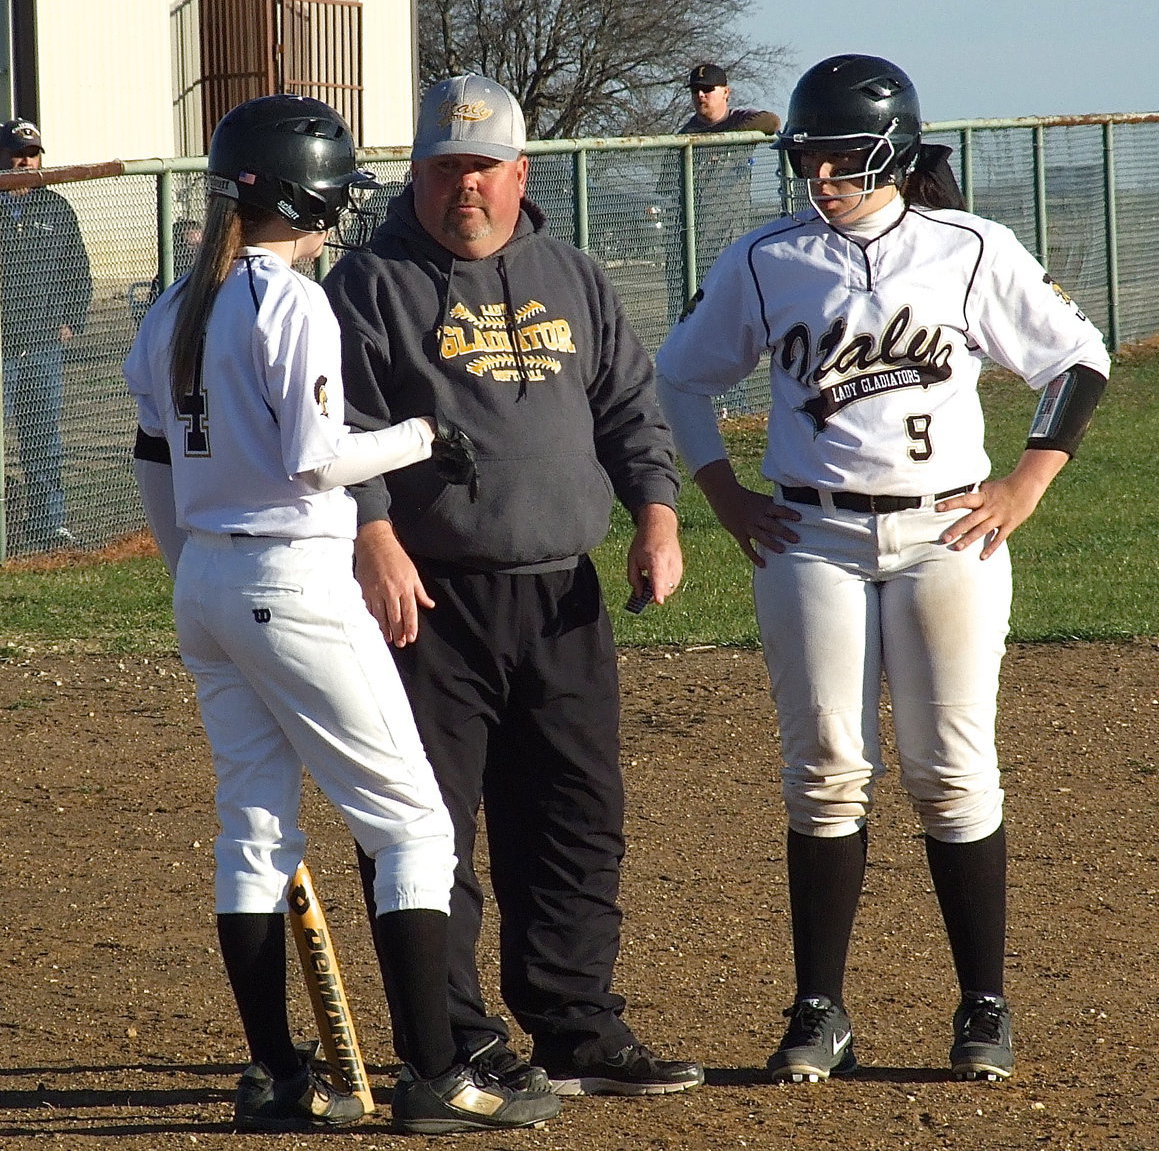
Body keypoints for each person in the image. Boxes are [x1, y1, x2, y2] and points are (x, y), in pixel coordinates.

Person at [655, 54, 1110, 1086]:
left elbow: (1076, 359)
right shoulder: (767, 257)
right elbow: (679, 376)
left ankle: (982, 1004)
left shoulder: (966, 247)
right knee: (823, 770)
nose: (820, 177)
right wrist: (722, 494)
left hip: (946, 534)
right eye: (807, 158)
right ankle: (819, 1009)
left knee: (951, 771)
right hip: (810, 535)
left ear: (895, 152)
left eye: (842, 157)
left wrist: (1025, 485)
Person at [123, 93, 560, 1136]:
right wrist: (422, 436)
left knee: (253, 829)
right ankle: (435, 1075)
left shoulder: (176, 303)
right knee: (412, 822)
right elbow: (319, 460)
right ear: (305, 195)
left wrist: (196, 577)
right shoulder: (289, 299)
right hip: (293, 575)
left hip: (210, 577)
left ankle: (277, 1076)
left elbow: (153, 462)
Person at [322, 72, 703, 1098]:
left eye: (483, 167)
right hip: (427, 599)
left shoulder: (571, 275)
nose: (466, 186)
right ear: (416, 173)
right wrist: (373, 536)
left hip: (561, 593)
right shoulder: (368, 284)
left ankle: (576, 1026)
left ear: (519, 172)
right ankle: (455, 1038)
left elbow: (629, 407)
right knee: (425, 828)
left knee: (576, 815)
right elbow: (339, 430)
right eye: (446, 167)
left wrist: (656, 516)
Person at [0, 118, 92, 550]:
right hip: (3, 347)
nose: (25, 162)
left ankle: (48, 524)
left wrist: (70, 319)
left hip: (41, 346)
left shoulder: (55, 208)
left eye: (32, 154)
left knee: (43, 441)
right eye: (17, 154)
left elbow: (78, 270)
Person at [664, 65, 781, 330]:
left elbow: (772, 121)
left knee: (733, 318)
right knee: (690, 320)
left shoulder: (739, 121)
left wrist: (724, 140)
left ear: (726, 92)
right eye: (696, 90)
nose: (700, 95)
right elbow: (667, 188)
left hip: (731, 238)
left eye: (707, 89)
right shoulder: (684, 136)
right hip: (692, 244)